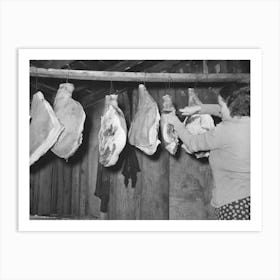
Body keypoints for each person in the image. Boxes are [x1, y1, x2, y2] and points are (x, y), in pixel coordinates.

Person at [166, 85, 250, 220]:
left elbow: (193, 144)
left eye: (221, 105)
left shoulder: (224, 131)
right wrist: (200, 109)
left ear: (232, 107)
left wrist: (175, 122)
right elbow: (227, 113)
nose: (219, 109)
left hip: (233, 203)